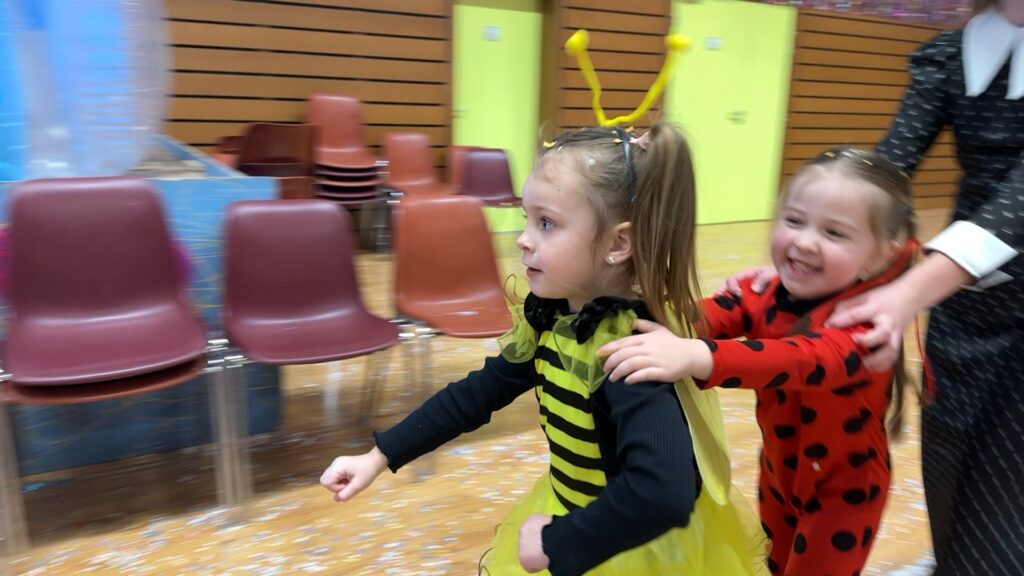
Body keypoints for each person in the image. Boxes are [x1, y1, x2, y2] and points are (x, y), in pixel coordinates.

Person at [319, 123, 766, 575]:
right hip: (575, 513)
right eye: (526, 219)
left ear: (617, 244)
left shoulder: (629, 352)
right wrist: (378, 457)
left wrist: (557, 541)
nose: (523, 238)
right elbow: (476, 395)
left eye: (547, 223)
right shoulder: (551, 317)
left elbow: (663, 494)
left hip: (624, 549)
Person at [724, 3, 1024, 572]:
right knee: (950, 449)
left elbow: (1019, 201)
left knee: (1008, 471)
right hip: (958, 297)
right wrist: (825, 243)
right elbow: (883, 174)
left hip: (961, 281)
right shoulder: (953, 53)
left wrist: (906, 290)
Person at [599, 147, 920, 575]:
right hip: (778, 475)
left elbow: (797, 359)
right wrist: (646, 315)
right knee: (774, 563)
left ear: (881, 253)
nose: (804, 241)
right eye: (793, 220)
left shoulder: (869, 326)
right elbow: (713, 314)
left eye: (834, 233)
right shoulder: (766, 288)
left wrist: (694, 355)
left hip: (842, 495)